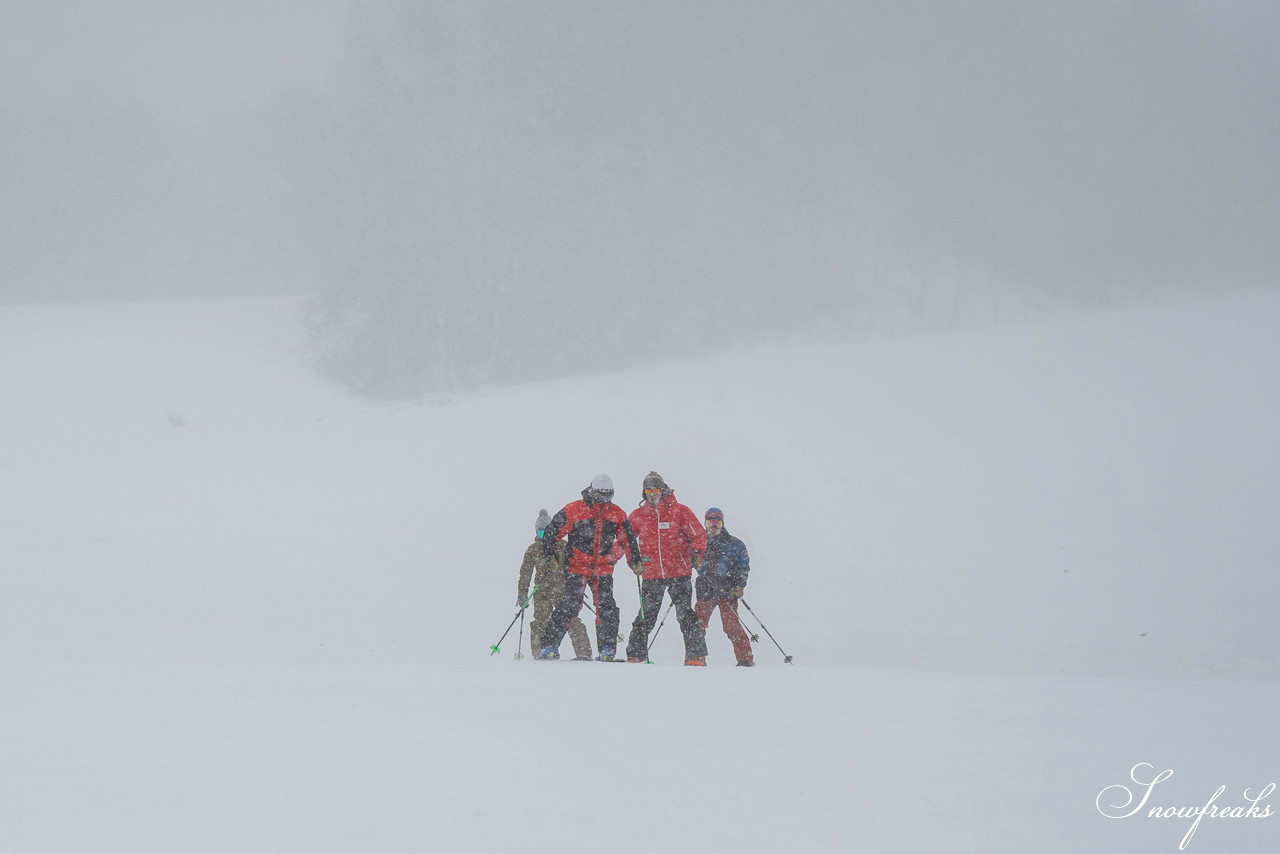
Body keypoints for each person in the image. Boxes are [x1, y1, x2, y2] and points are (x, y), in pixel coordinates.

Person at [535, 474, 641, 661]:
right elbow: (552, 531)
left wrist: (635, 561)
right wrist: (550, 552)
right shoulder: (574, 510)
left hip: (603, 568)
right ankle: (549, 645)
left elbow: (628, 539)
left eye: (609, 496)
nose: (605, 500)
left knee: (607, 606)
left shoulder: (616, 513)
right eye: (601, 495)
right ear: (592, 492)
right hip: (577, 566)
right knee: (569, 605)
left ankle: (607, 648)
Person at [625, 472, 709, 666]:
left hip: (679, 572)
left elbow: (699, 535)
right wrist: (633, 561)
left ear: (663, 490)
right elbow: (625, 540)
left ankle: (695, 656)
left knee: (686, 614)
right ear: (643, 492)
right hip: (652, 574)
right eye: (648, 490)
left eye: (655, 490)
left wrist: (698, 554)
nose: (652, 494)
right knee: (646, 615)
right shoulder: (638, 515)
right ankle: (636, 655)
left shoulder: (680, 511)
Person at [518, 509, 593, 661]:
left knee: (571, 620)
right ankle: (539, 652)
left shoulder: (564, 546)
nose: (544, 537)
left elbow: (577, 566)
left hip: (563, 590)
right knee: (540, 621)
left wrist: (579, 586)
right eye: (540, 534)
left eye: (547, 533)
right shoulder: (533, 549)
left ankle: (584, 652)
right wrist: (522, 593)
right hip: (542, 592)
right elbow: (525, 572)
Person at [694, 507, 754, 666]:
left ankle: (745, 660)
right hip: (705, 590)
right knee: (697, 625)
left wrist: (740, 585)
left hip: (727, 590)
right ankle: (695, 658)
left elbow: (743, 566)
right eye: (710, 522)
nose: (713, 526)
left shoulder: (734, 544)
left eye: (717, 522)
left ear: (722, 523)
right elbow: (688, 560)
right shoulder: (698, 542)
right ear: (705, 523)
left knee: (731, 627)